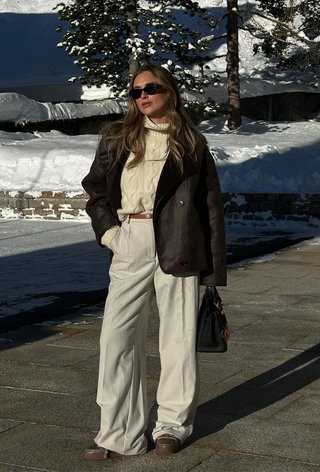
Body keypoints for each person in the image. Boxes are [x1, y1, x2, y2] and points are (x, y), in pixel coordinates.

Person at [81, 63, 227, 460]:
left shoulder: (192, 142)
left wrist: (214, 271)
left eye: (151, 88)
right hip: (130, 237)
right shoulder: (117, 137)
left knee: (177, 338)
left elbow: (210, 206)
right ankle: (119, 432)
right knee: (116, 338)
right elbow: (95, 190)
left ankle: (171, 427)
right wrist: (112, 234)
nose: (143, 96)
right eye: (136, 92)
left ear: (170, 91)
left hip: (179, 241)